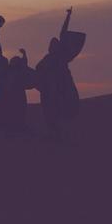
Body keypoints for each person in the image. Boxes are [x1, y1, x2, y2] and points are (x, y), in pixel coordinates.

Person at [36, 7, 84, 141]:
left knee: (64, 110)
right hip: (51, 90)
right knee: (51, 113)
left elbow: (63, 33)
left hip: (62, 87)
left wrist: (68, 16)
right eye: (51, 44)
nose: (52, 46)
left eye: (54, 44)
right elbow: (39, 70)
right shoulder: (47, 59)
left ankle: (62, 134)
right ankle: (55, 133)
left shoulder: (61, 56)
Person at [0, 14, 35, 136]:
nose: (13, 60)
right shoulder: (5, 71)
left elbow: (25, 67)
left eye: (16, 60)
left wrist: (25, 55)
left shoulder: (17, 74)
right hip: (4, 100)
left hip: (16, 102)